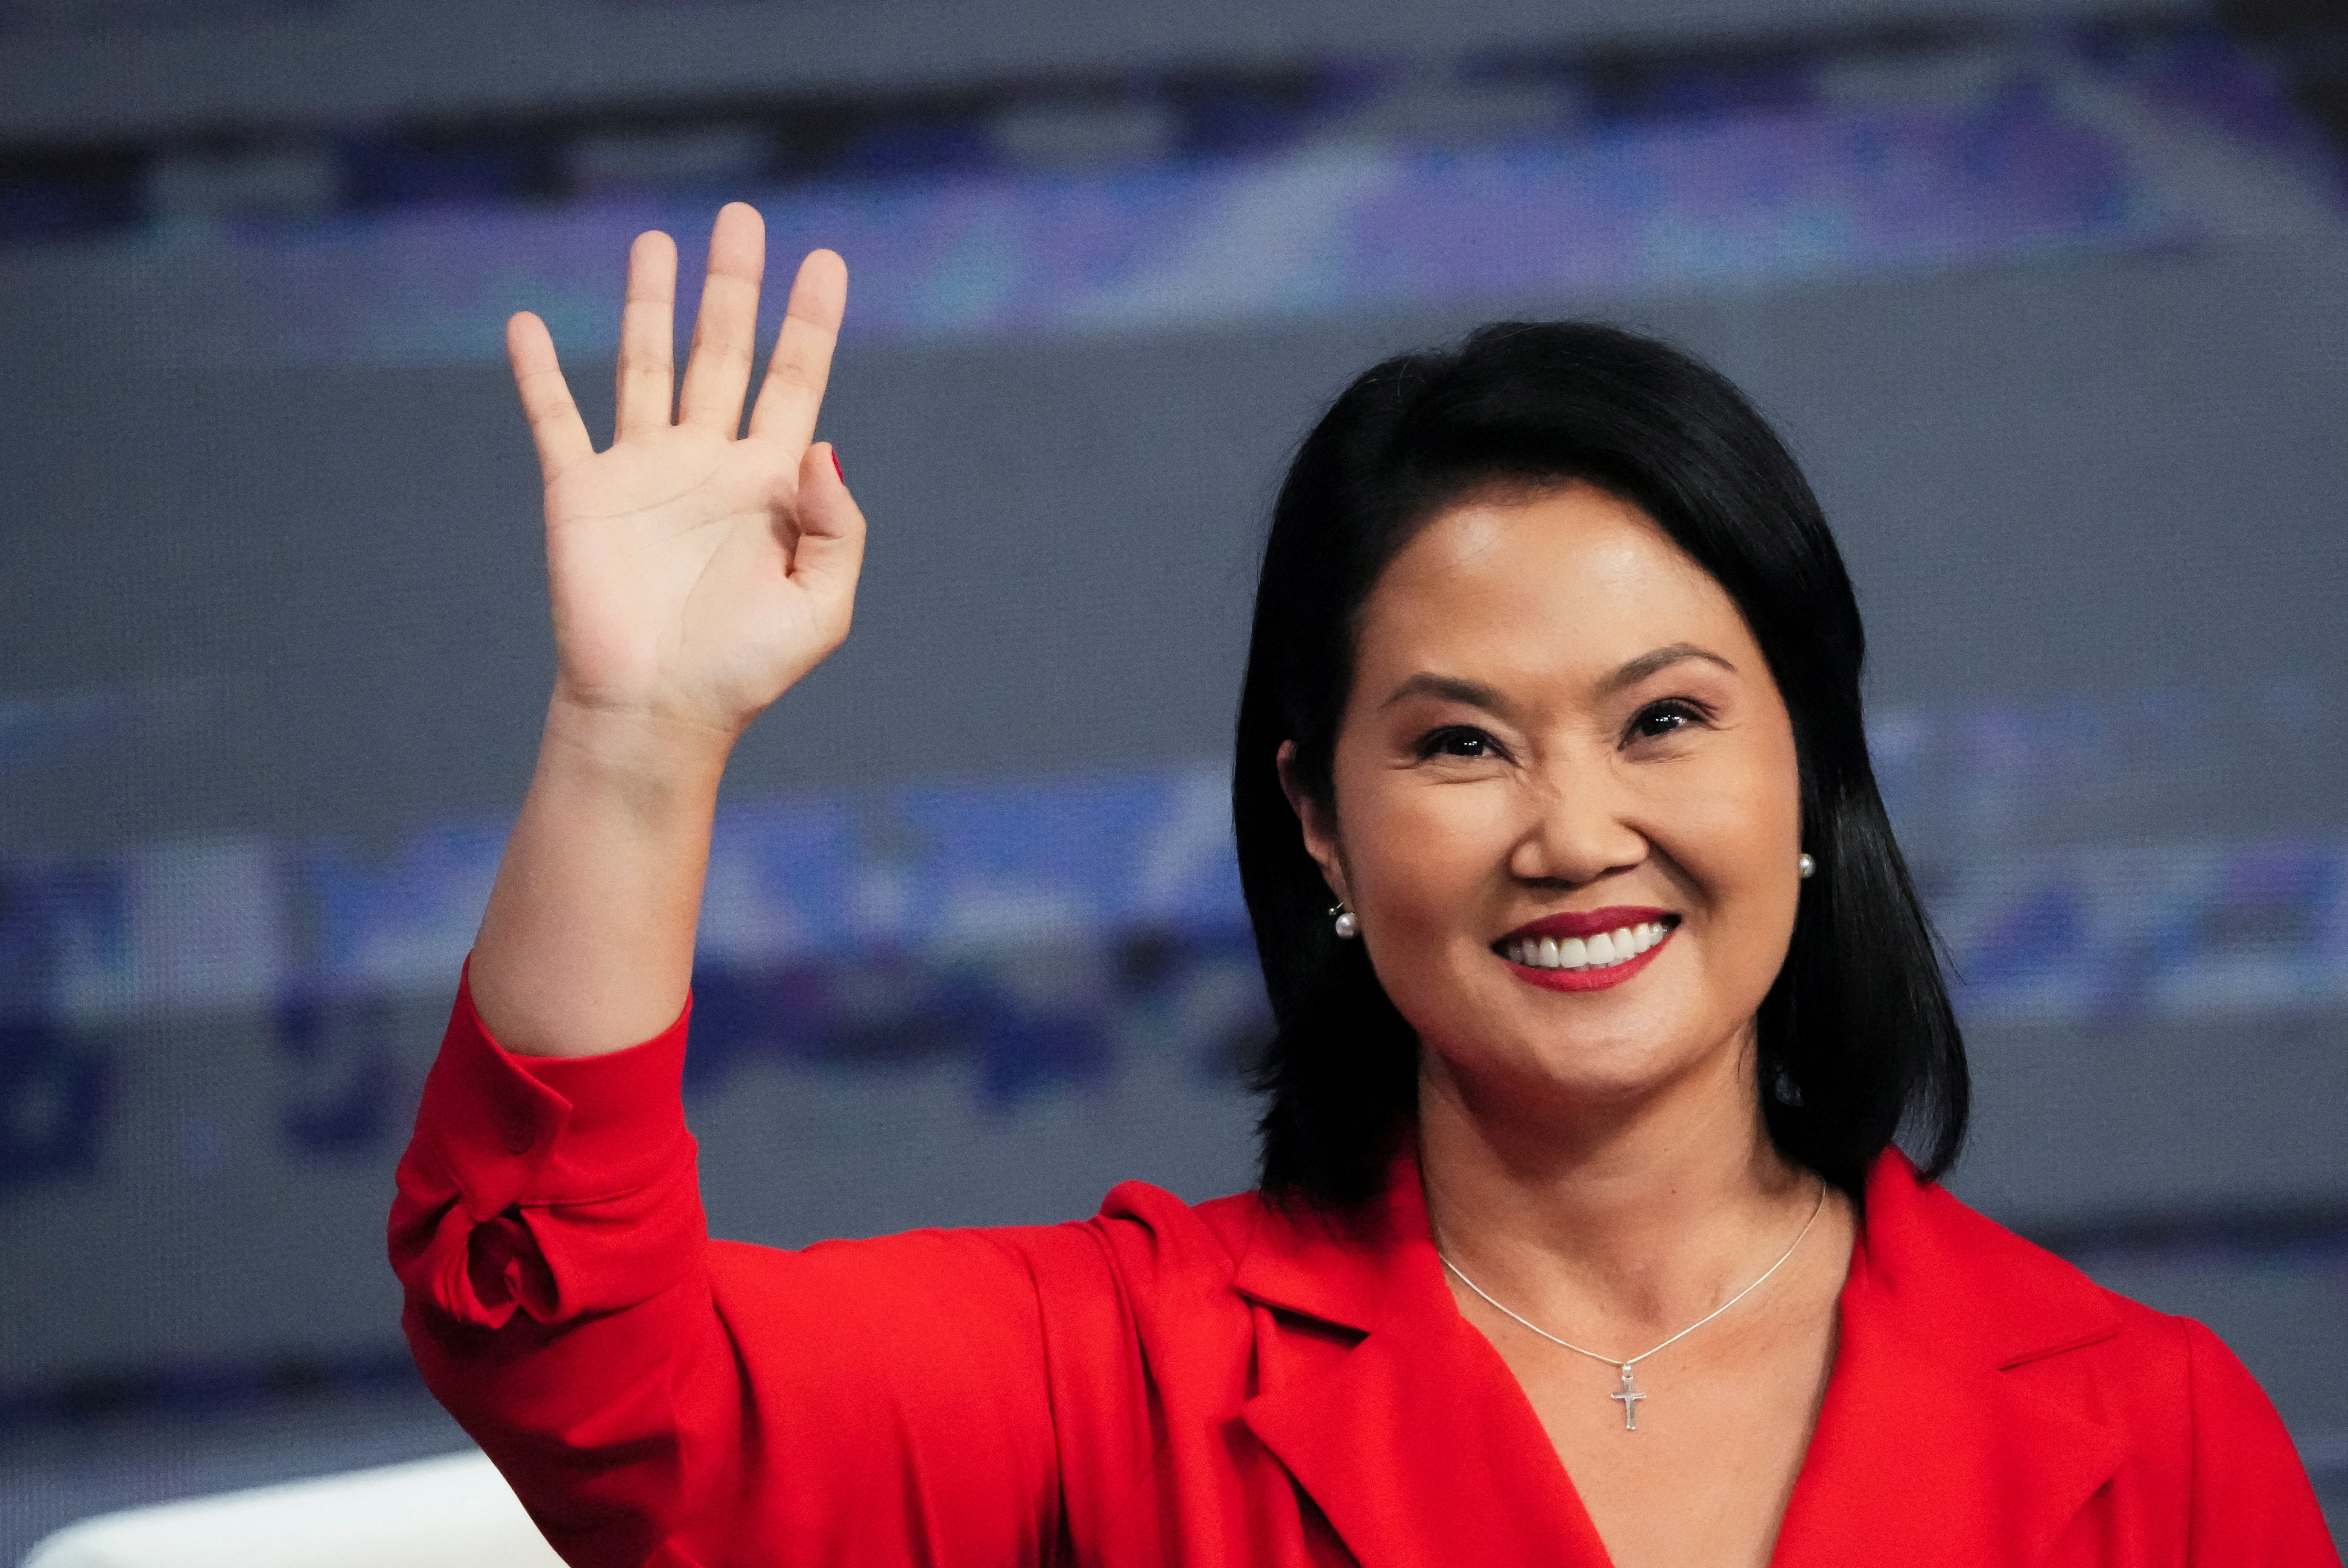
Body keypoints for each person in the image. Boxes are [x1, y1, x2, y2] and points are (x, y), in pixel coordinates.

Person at [388, 203, 2339, 1567]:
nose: (1573, 831)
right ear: (1317, 821)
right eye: (1458, 744)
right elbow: (585, 1359)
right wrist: (634, 741)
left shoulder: (2146, 1431)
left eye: (1664, 719)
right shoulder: (1125, 1383)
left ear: (1808, 765)